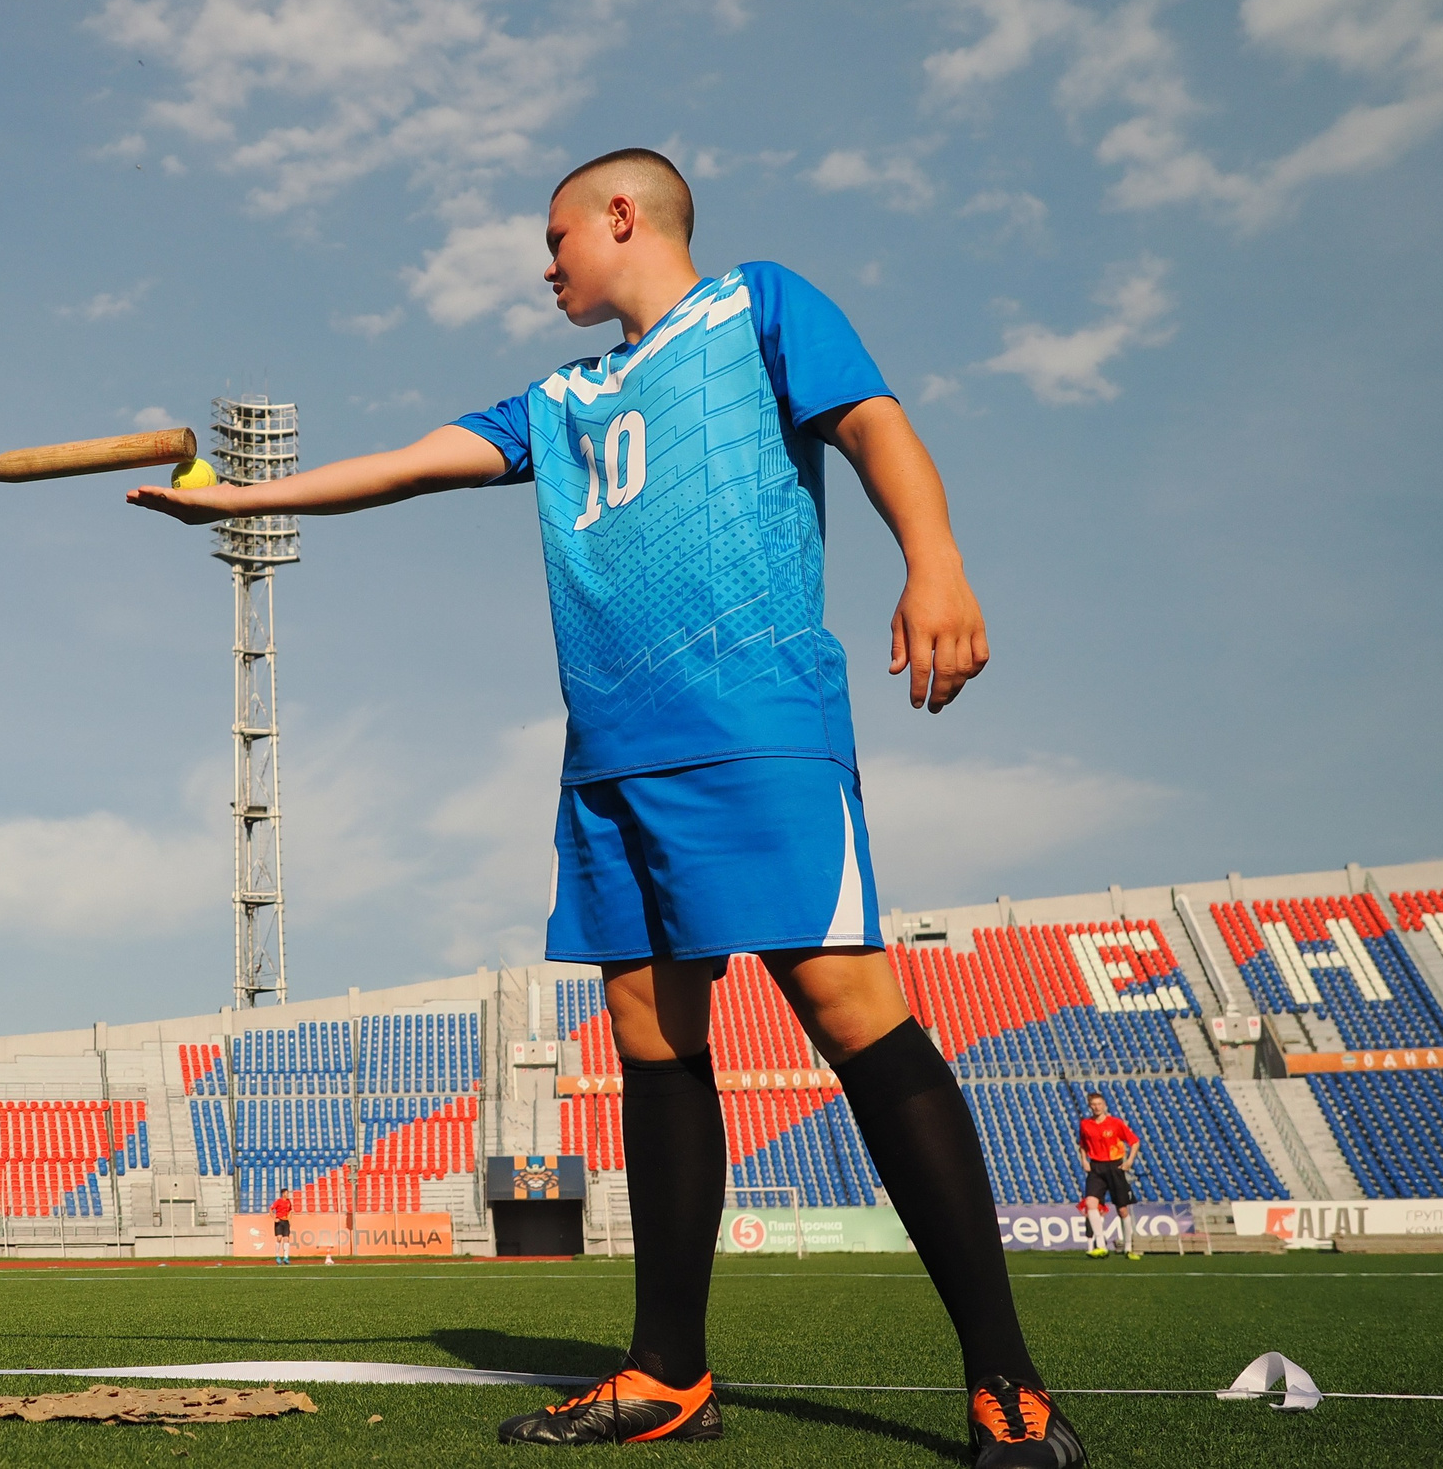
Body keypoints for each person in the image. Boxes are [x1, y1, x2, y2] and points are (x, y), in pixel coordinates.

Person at [130, 151, 1081, 1467]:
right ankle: (668, 1371)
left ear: (621, 216)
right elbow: (410, 464)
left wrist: (938, 562)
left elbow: (875, 425)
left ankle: (1007, 1384)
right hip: (609, 752)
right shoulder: (560, 397)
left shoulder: (761, 305)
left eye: (555, 235)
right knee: (647, 1027)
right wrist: (238, 500)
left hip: (754, 723)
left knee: (847, 1001)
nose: (546, 261)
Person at [1077, 1093, 1142, 1261]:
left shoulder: (1115, 1123)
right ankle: (1101, 1245)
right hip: (1096, 1167)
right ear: (1090, 1106)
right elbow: (1083, 1144)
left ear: (1104, 1105)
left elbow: (1134, 1141)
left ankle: (1128, 1247)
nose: (1097, 1107)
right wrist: (1084, 1159)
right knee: (1091, 1203)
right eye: (1094, 1104)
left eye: (1100, 1104)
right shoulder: (1085, 1124)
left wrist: (1129, 1161)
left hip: (1115, 1166)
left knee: (1122, 1209)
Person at [271, 1189, 295, 1267]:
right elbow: (271, 1209)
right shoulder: (278, 1201)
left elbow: (290, 1211)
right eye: (286, 1193)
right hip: (279, 1221)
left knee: (286, 1239)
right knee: (279, 1238)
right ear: (283, 1194)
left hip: (286, 1221)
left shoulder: (288, 1202)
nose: (288, 1194)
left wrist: (290, 1220)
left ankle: (286, 1257)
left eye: (288, 1193)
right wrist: (274, 1218)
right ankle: (277, 1256)